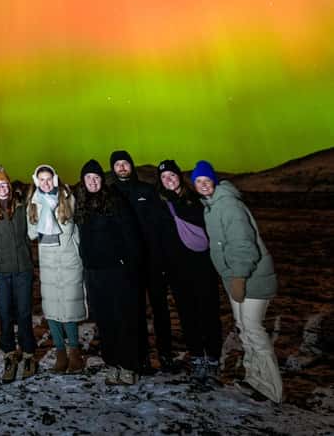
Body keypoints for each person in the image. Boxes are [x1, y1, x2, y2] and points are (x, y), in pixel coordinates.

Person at [192, 160, 282, 403]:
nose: (202, 185)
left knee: (254, 330)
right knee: (244, 329)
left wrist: (240, 278)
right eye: (198, 182)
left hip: (252, 278)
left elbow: (244, 246)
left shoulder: (229, 205)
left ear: (214, 180)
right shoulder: (211, 207)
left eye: (206, 180)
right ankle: (255, 380)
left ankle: (272, 389)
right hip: (235, 278)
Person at [75, 159, 143, 386]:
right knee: (105, 321)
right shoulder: (82, 205)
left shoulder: (114, 201)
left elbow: (130, 234)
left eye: (96, 177)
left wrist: (129, 264)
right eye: (88, 178)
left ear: (101, 180)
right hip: (94, 273)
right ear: (83, 182)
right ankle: (112, 362)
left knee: (123, 318)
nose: (92, 182)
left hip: (117, 271)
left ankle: (128, 365)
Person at [155, 160, 222, 384]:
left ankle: (213, 358)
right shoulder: (161, 204)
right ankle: (196, 357)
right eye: (164, 177)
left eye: (171, 175)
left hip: (203, 267)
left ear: (179, 176)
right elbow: (161, 240)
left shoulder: (196, 200)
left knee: (209, 313)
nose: (169, 180)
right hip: (177, 271)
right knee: (187, 315)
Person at [109, 149, 174, 373]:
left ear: (131, 165)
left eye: (125, 163)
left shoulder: (146, 190)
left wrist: (164, 257)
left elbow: (162, 224)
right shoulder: (111, 194)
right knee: (135, 312)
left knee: (160, 310)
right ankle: (142, 357)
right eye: (117, 165)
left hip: (153, 261)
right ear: (113, 168)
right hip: (128, 264)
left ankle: (166, 355)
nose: (122, 168)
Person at [26, 164, 86, 374]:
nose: (45, 183)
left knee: (68, 309)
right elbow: (32, 232)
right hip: (48, 260)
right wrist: (43, 217)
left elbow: (76, 225)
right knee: (52, 309)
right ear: (36, 181)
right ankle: (60, 353)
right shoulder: (34, 203)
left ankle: (75, 353)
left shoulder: (67, 197)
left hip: (68, 258)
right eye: (41, 179)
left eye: (49, 178)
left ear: (55, 178)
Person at [0, 167, 37, 382]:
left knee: (23, 313)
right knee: (5, 314)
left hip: (23, 268)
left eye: (5, 184)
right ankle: (9, 354)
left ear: (10, 187)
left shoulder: (22, 207)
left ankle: (29, 353)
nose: (2, 188)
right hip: (2, 271)